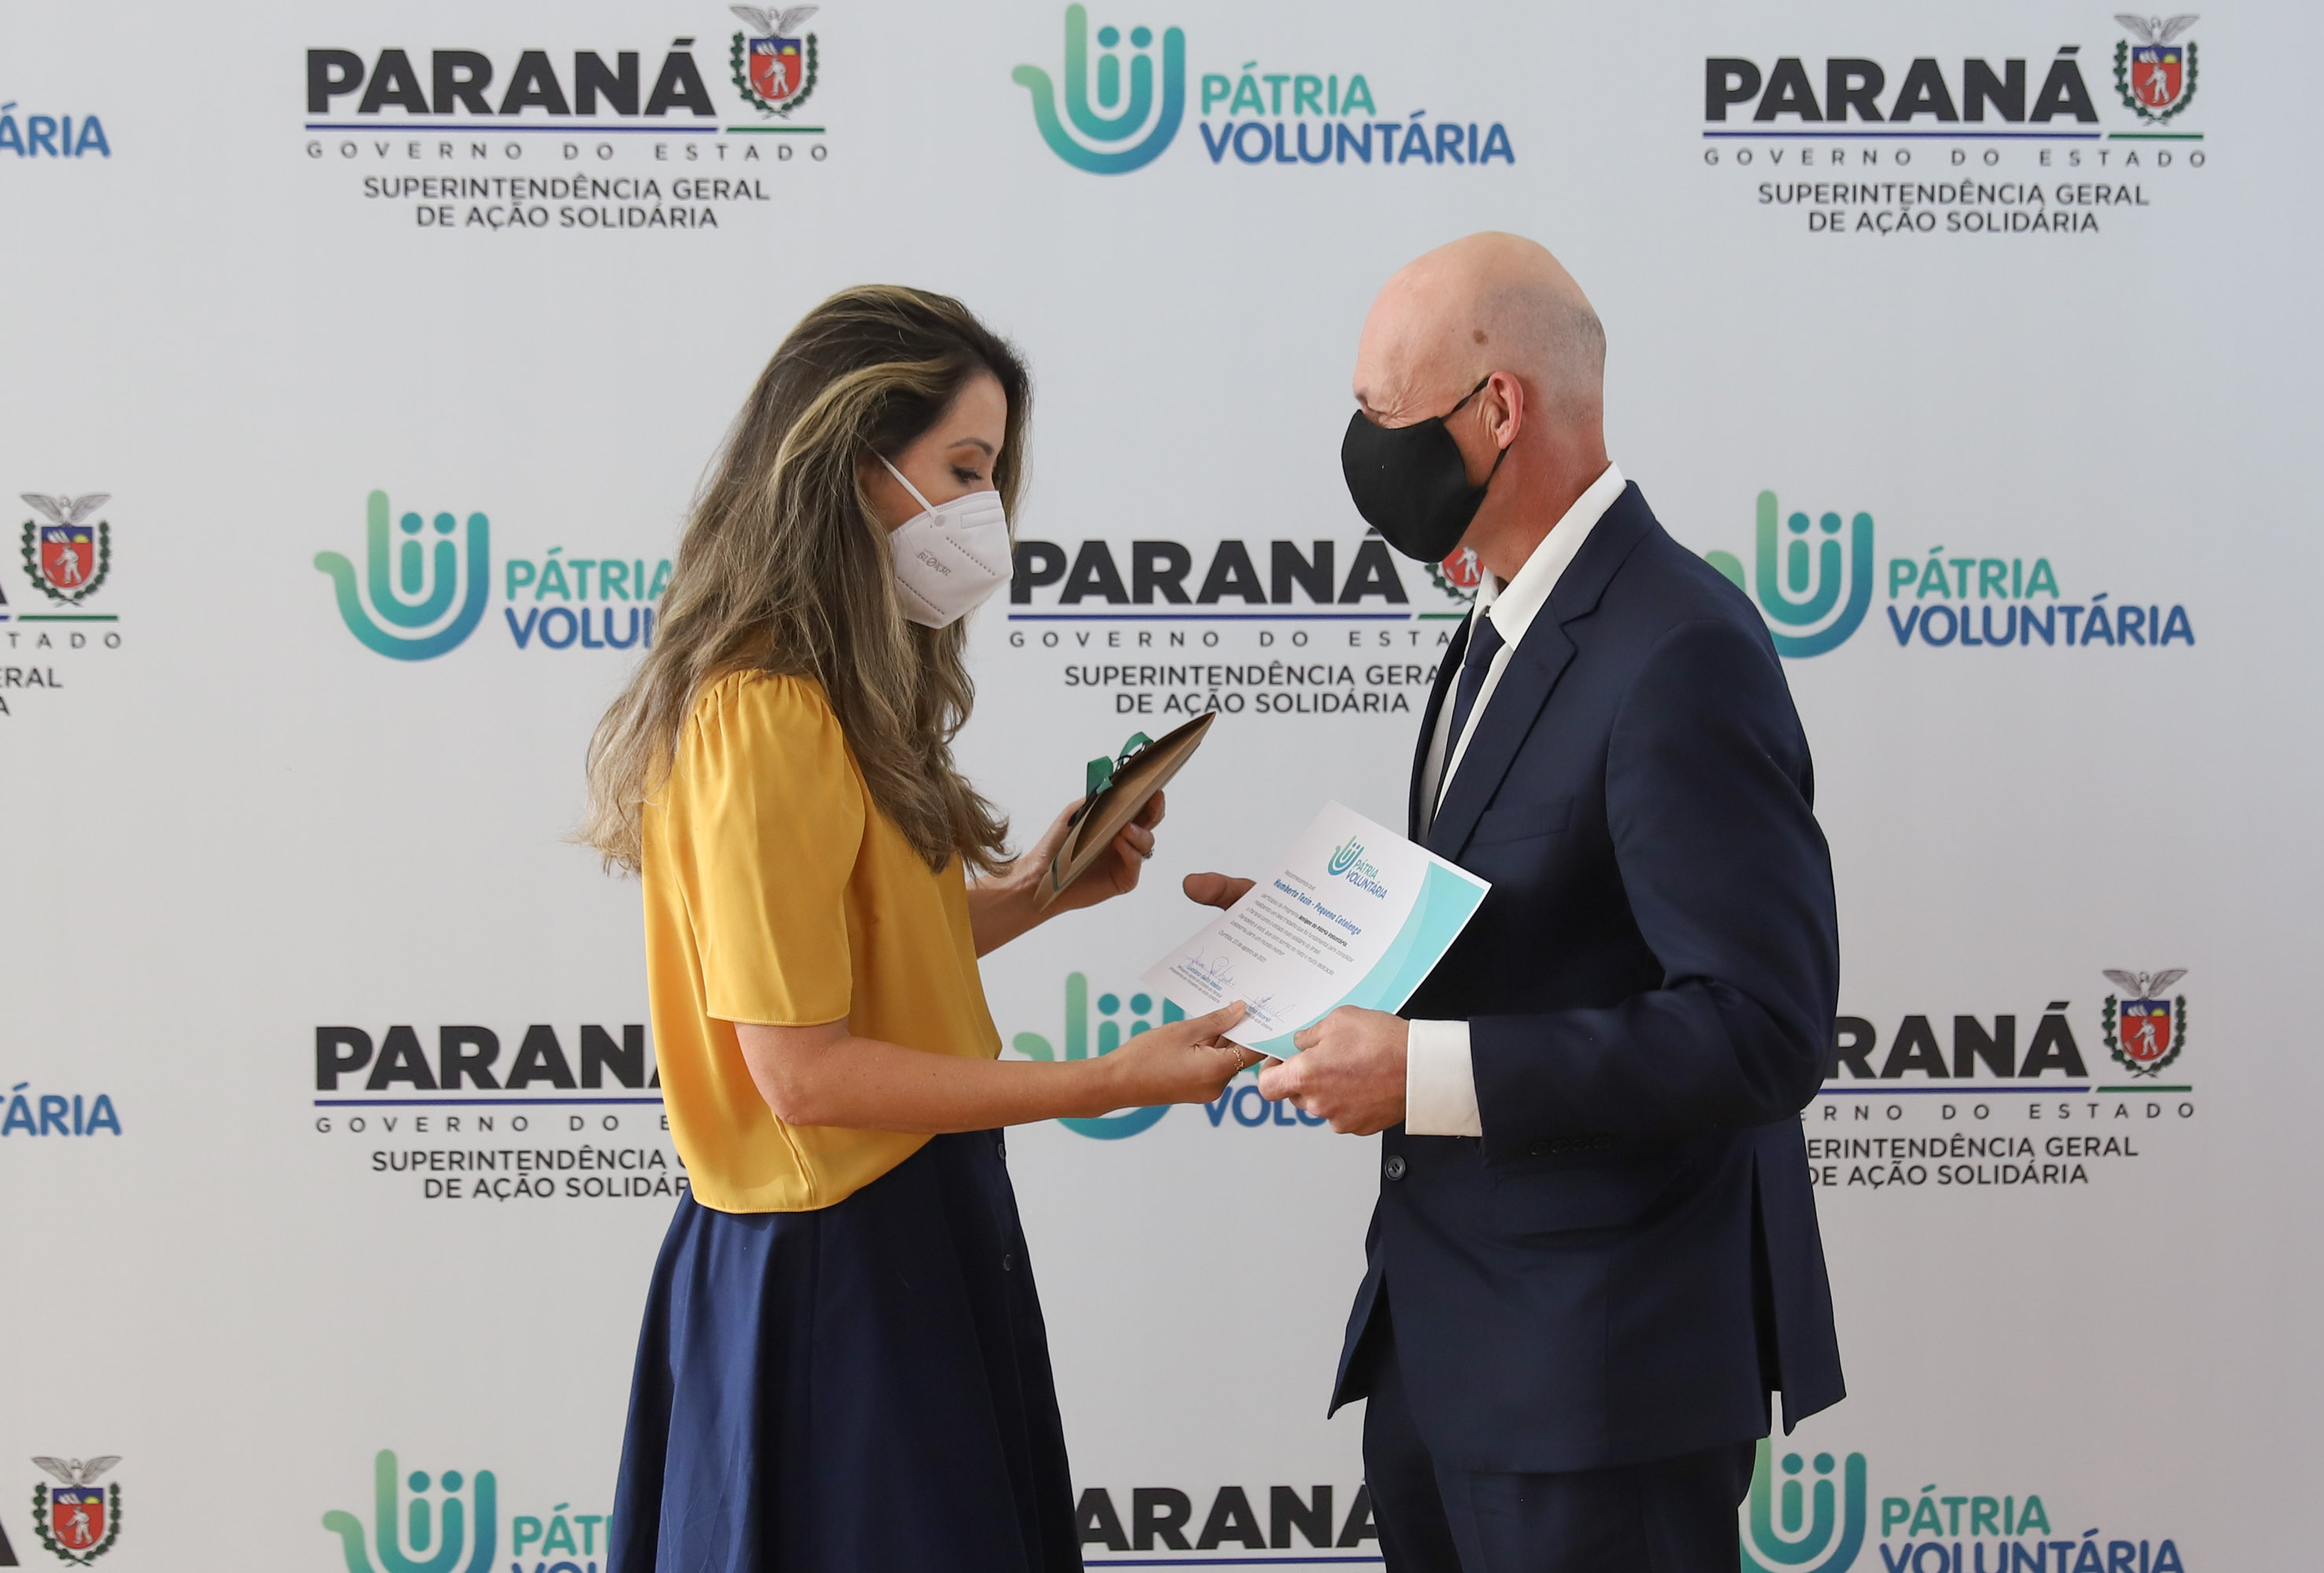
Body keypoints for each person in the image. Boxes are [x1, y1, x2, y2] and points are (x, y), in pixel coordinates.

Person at [1186, 234, 1845, 1571]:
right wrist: (1326, 943)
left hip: (1599, 1385)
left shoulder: (1680, 648)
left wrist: (1422, 1072)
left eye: (1386, 411)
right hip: (1445, 1354)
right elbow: (1546, 926)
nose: (1364, 445)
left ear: (1499, 408)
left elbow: (1760, 1029)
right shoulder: (1500, 618)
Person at [582, 285, 1255, 1573]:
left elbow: (858, 962)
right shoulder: (764, 713)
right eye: (963, 468)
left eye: (992, 476)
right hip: (832, 1268)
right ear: (854, 462)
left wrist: (1040, 891)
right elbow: (803, 1073)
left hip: (909, 1229)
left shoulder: (832, 696)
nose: (983, 512)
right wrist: (1109, 1079)